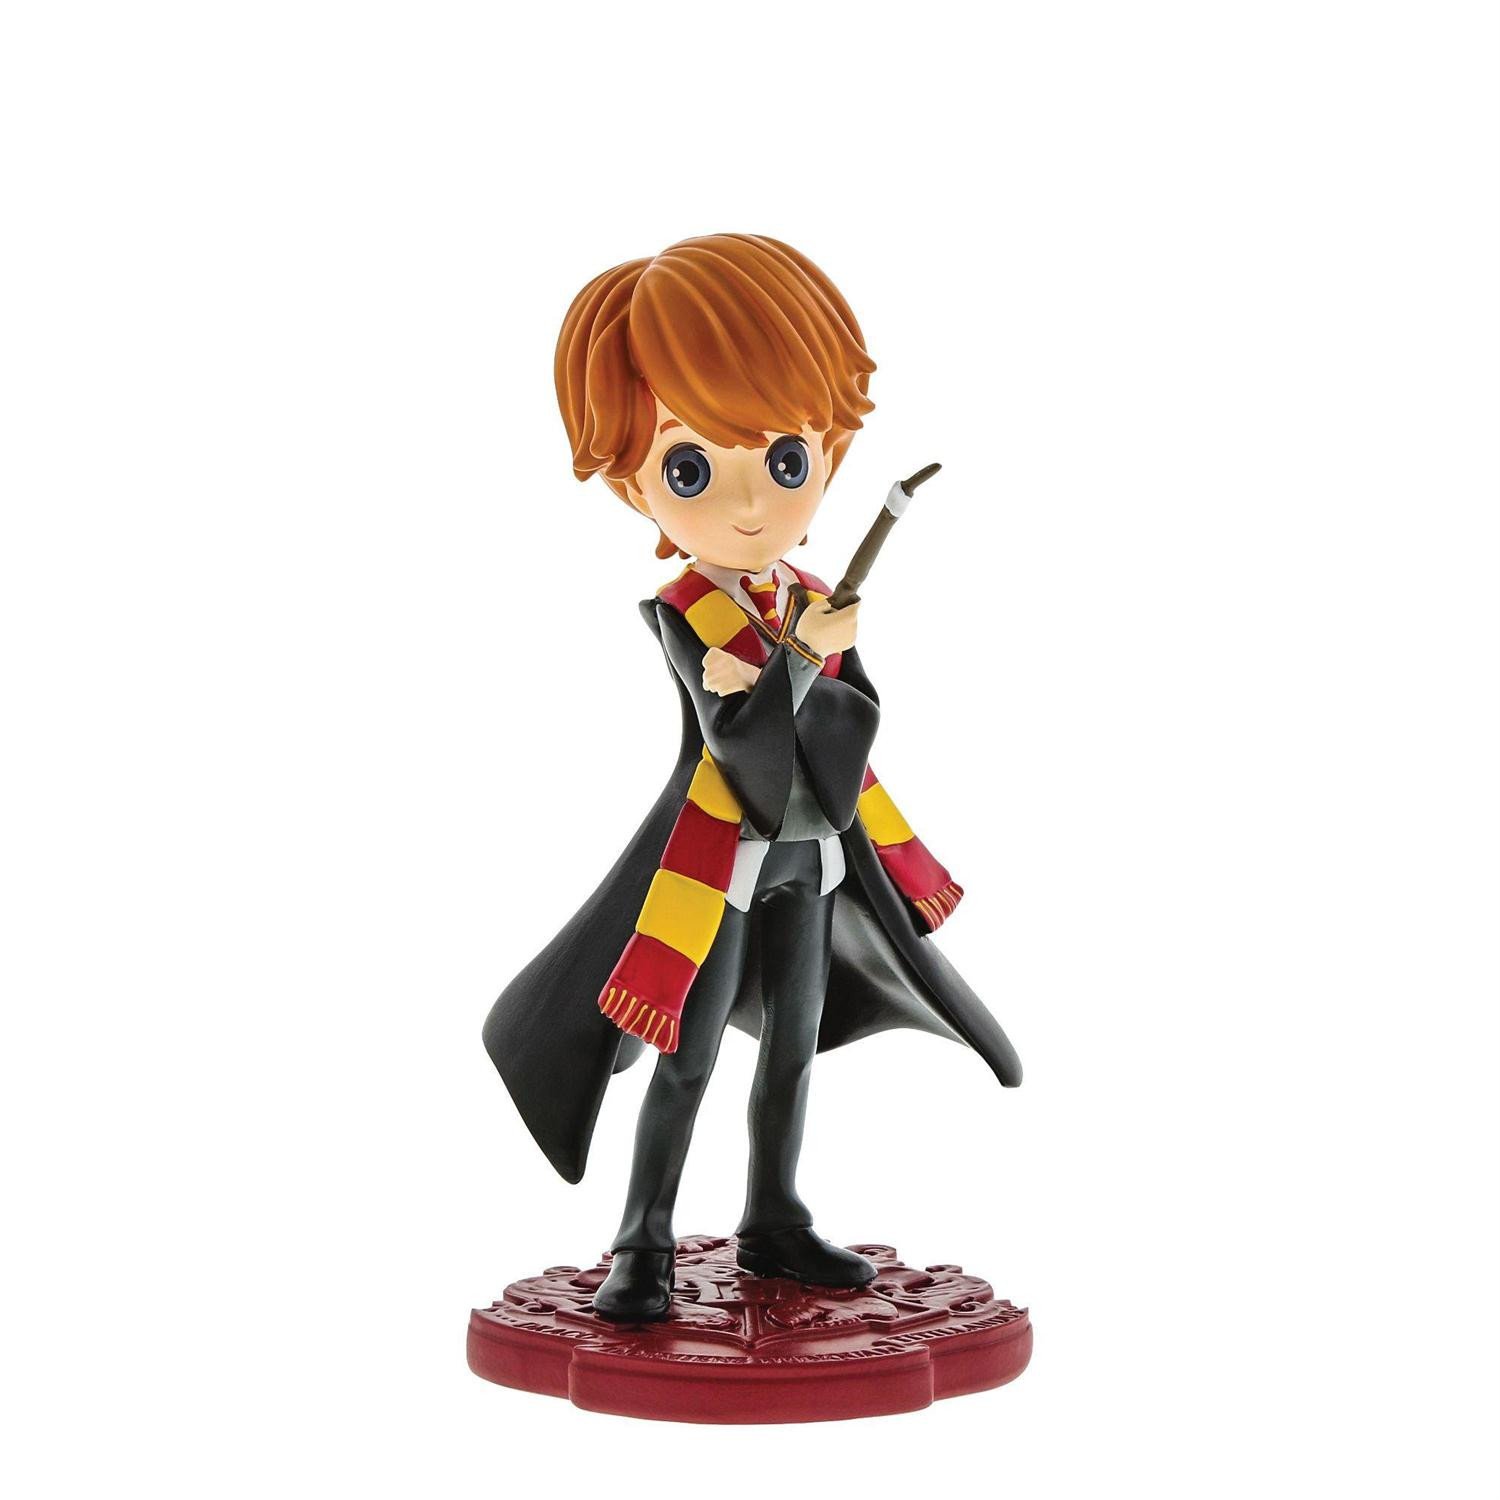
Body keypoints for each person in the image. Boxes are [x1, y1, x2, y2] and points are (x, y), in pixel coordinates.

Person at [484, 234, 1021, 1322]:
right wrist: (801, 664)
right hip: (712, 872)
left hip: (813, 861)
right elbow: (742, 743)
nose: (745, 505)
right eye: (690, 468)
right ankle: (642, 1242)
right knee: (685, 1059)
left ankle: (774, 1216)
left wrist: (818, 661)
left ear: (828, 450)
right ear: (634, 480)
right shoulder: (688, 613)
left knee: (791, 1050)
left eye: (783, 461)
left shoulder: (813, 600)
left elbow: (847, 738)